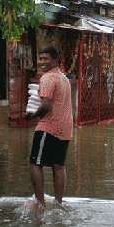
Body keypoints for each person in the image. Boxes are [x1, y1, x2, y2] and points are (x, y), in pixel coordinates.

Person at [25, 47, 73, 215]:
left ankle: (40, 203)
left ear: (55, 59)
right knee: (58, 166)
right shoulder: (64, 79)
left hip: (48, 127)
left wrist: (32, 116)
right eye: (40, 58)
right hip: (66, 129)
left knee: (35, 163)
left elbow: (46, 105)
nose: (42, 62)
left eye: (45, 59)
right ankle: (58, 203)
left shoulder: (47, 78)